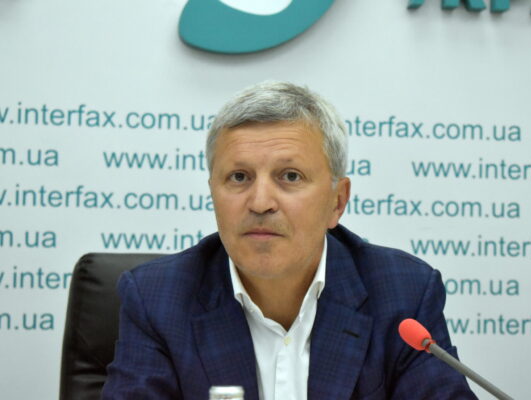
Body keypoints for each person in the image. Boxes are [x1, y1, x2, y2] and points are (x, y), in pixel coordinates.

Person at [102, 81, 477, 399]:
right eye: (239, 177)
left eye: (290, 176)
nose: (260, 202)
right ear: (213, 192)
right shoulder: (157, 299)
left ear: (337, 202)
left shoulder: (403, 294)